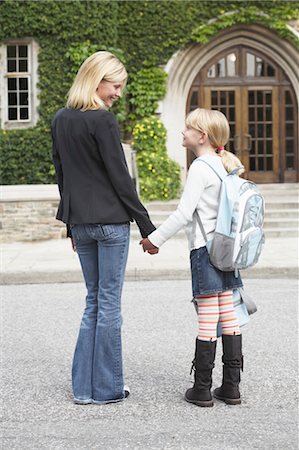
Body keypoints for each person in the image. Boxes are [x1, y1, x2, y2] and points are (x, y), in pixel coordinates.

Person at [52, 51, 157, 405]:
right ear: (97, 80)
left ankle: (83, 390)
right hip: (111, 224)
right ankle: (109, 388)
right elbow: (120, 177)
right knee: (109, 303)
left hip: (81, 223)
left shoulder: (60, 120)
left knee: (93, 302)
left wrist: (70, 225)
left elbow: (62, 177)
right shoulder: (103, 121)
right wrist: (146, 226)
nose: (117, 93)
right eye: (115, 85)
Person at [141, 108, 245, 407]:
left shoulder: (201, 167)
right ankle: (231, 387)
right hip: (229, 249)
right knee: (229, 313)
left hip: (206, 250)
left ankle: (201, 389)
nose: (182, 132)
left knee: (209, 315)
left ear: (202, 136)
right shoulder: (225, 164)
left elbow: (184, 214)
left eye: (187, 128)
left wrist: (154, 240)